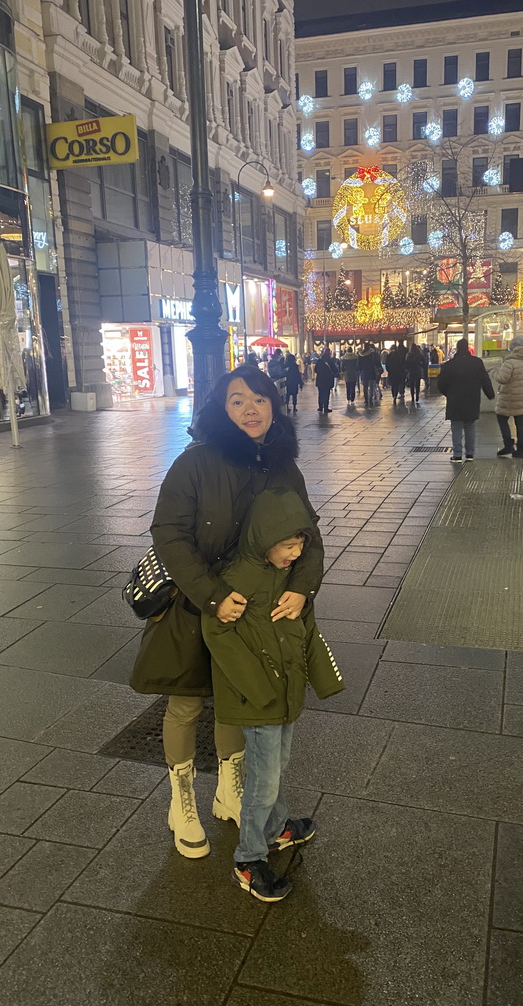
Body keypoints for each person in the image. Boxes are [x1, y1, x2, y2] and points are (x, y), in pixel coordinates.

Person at [129, 365, 324, 858]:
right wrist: (212, 596)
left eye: (258, 399)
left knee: (237, 698)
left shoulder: (282, 464)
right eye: (237, 401)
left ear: (274, 406)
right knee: (188, 701)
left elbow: (311, 534)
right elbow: (169, 534)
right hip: (200, 603)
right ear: (222, 409)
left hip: (259, 609)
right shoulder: (195, 463)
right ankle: (182, 802)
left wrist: (301, 588)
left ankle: (229, 790)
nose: (250, 409)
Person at [202, 487, 344, 901]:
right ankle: (248, 860)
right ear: (264, 539)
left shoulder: (286, 576)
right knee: (263, 779)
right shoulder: (241, 578)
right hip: (259, 697)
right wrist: (257, 687)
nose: (295, 553)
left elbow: (305, 625)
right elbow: (217, 631)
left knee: (277, 764)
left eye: (300, 544)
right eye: (287, 545)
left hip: (283, 690)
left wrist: (319, 676)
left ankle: (277, 827)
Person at [437, 338, 495, 463]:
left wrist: (448, 394)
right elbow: (484, 379)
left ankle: (457, 454)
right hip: (472, 399)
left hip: (455, 400)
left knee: (456, 426)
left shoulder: (449, 365)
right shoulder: (477, 363)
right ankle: (470, 454)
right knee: (470, 426)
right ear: (468, 348)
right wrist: (490, 394)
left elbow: (441, 383)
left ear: (457, 348)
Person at [492, 337, 523, 458]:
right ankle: (521, 450)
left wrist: (494, 372)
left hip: (510, 397)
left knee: (501, 418)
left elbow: (502, 379)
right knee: (521, 422)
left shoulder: (510, 362)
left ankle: (508, 445)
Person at [314, 347, 335, 413]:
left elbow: (315, 370)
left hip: (320, 380)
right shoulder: (330, 361)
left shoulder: (319, 360)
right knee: (326, 393)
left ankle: (320, 407)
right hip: (327, 380)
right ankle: (326, 407)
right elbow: (335, 370)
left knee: (320, 393)